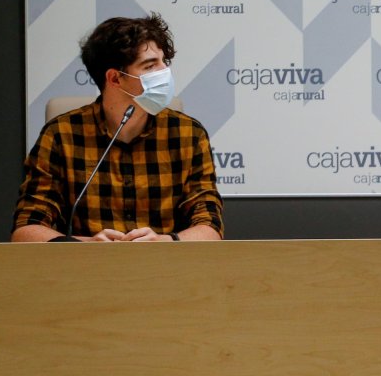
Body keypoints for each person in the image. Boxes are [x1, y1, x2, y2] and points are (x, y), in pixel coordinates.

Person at [13, 14, 224, 242]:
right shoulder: (60, 135)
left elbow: (210, 227)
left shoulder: (188, 133)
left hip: (166, 269)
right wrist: (85, 245)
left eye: (165, 62)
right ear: (114, 79)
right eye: (151, 65)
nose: (165, 71)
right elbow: (25, 230)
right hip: (86, 271)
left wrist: (166, 241)